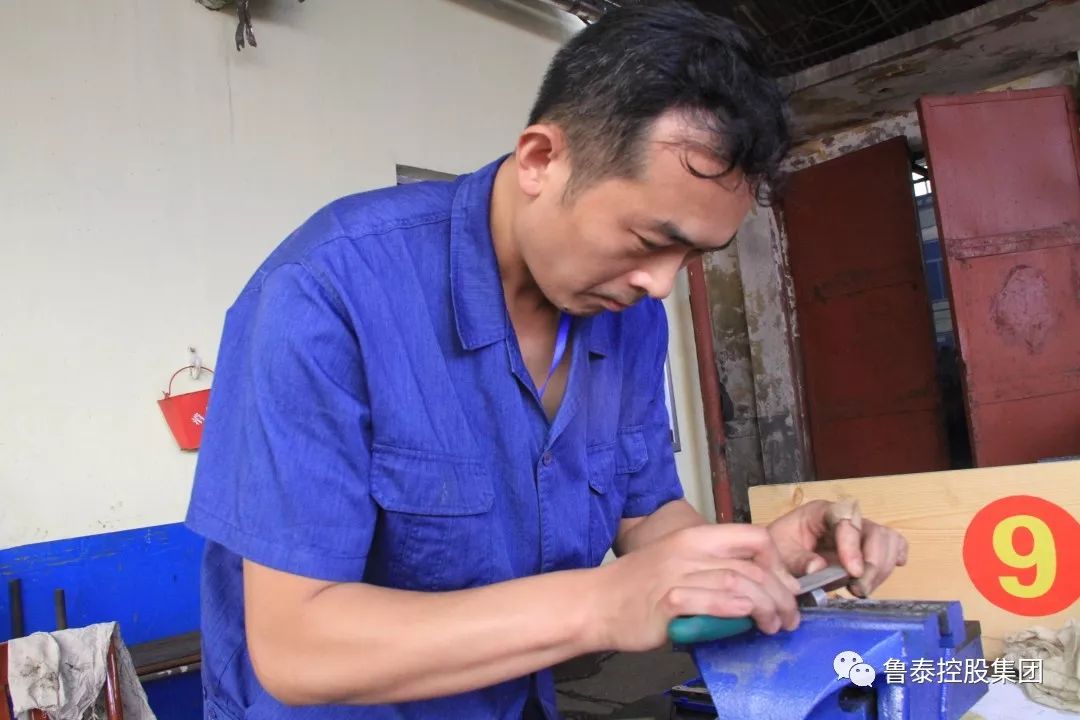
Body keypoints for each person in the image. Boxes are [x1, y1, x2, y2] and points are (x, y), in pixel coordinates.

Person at [185, 2, 910, 718]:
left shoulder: (628, 319)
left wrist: (755, 560)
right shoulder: (327, 293)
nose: (660, 284)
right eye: (648, 240)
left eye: (692, 255)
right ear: (541, 160)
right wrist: (601, 603)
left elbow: (644, 511)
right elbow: (298, 648)